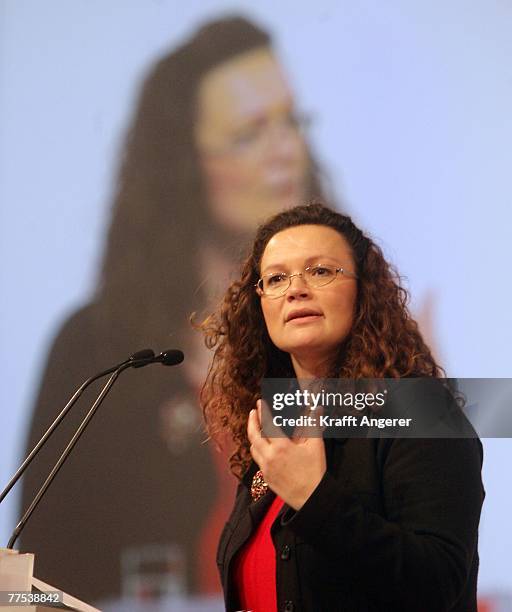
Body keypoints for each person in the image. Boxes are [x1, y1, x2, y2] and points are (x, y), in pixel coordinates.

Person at [20, 16, 328, 603]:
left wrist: (427, 408)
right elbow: (30, 588)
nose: (285, 150)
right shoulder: (95, 348)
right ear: (181, 166)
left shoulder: (352, 332)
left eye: (291, 121)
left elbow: (417, 557)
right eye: (249, 133)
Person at [200, 203, 485, 611]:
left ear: (363, 291)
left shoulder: (421, 413)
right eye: (276, 278)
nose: (296, 289)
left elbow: (437, 584)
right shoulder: (279, 426)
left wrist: (315, 499)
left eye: (320, 271)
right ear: (258, 303)